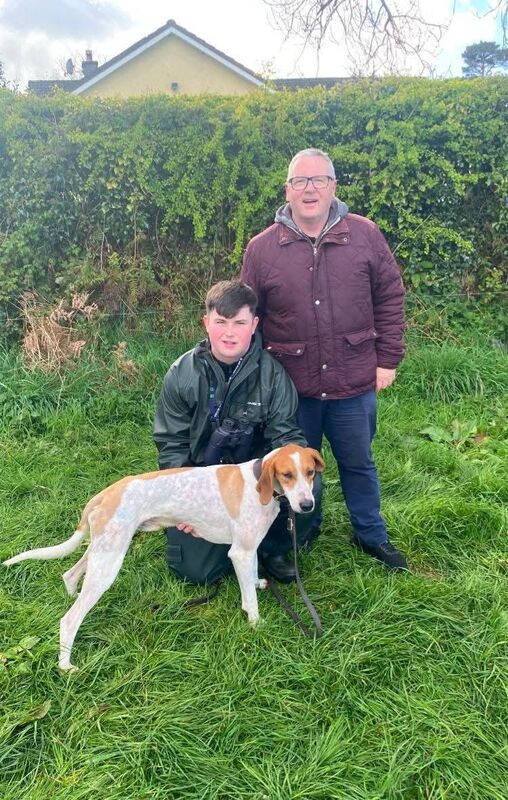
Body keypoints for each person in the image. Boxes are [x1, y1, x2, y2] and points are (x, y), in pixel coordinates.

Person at [241, 147, 408, 570]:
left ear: (334, 186)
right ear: (288, 190)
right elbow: (249, 316)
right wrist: (252, 375)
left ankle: (371, 535)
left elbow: (390, 296)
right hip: (292, 387)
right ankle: (301, 533)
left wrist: (387, 360)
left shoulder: (365, 235)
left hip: (354, 381)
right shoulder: (263, 248)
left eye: (319, 180)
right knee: (295, 468)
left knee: (358, 462)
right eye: (300, 181)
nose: (309, 188)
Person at [153, 279, 321, 585]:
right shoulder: (181, 374)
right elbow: (170, 444)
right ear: (206, 323)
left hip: (257, 482)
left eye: (239, 322)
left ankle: (273, 550)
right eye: (220, 322)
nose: (229, 332)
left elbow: (287, 437)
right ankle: (230, 547)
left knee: (311, 488)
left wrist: (293, 478)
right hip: (201, 482)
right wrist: (187, 504)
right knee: (196, 573)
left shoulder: (273, 375)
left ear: (254, 324)